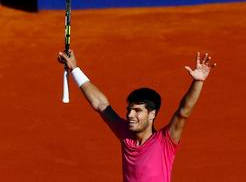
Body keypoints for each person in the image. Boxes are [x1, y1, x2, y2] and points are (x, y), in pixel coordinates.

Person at [57, 50, 216, 182]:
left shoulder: (165, 141)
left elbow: (183, 112)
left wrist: (198, 82)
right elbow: (100, 104)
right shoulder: (125, 135)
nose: (130, 115)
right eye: (129, 110)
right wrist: (75, 70)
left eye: (138, 111)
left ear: (152, 114)